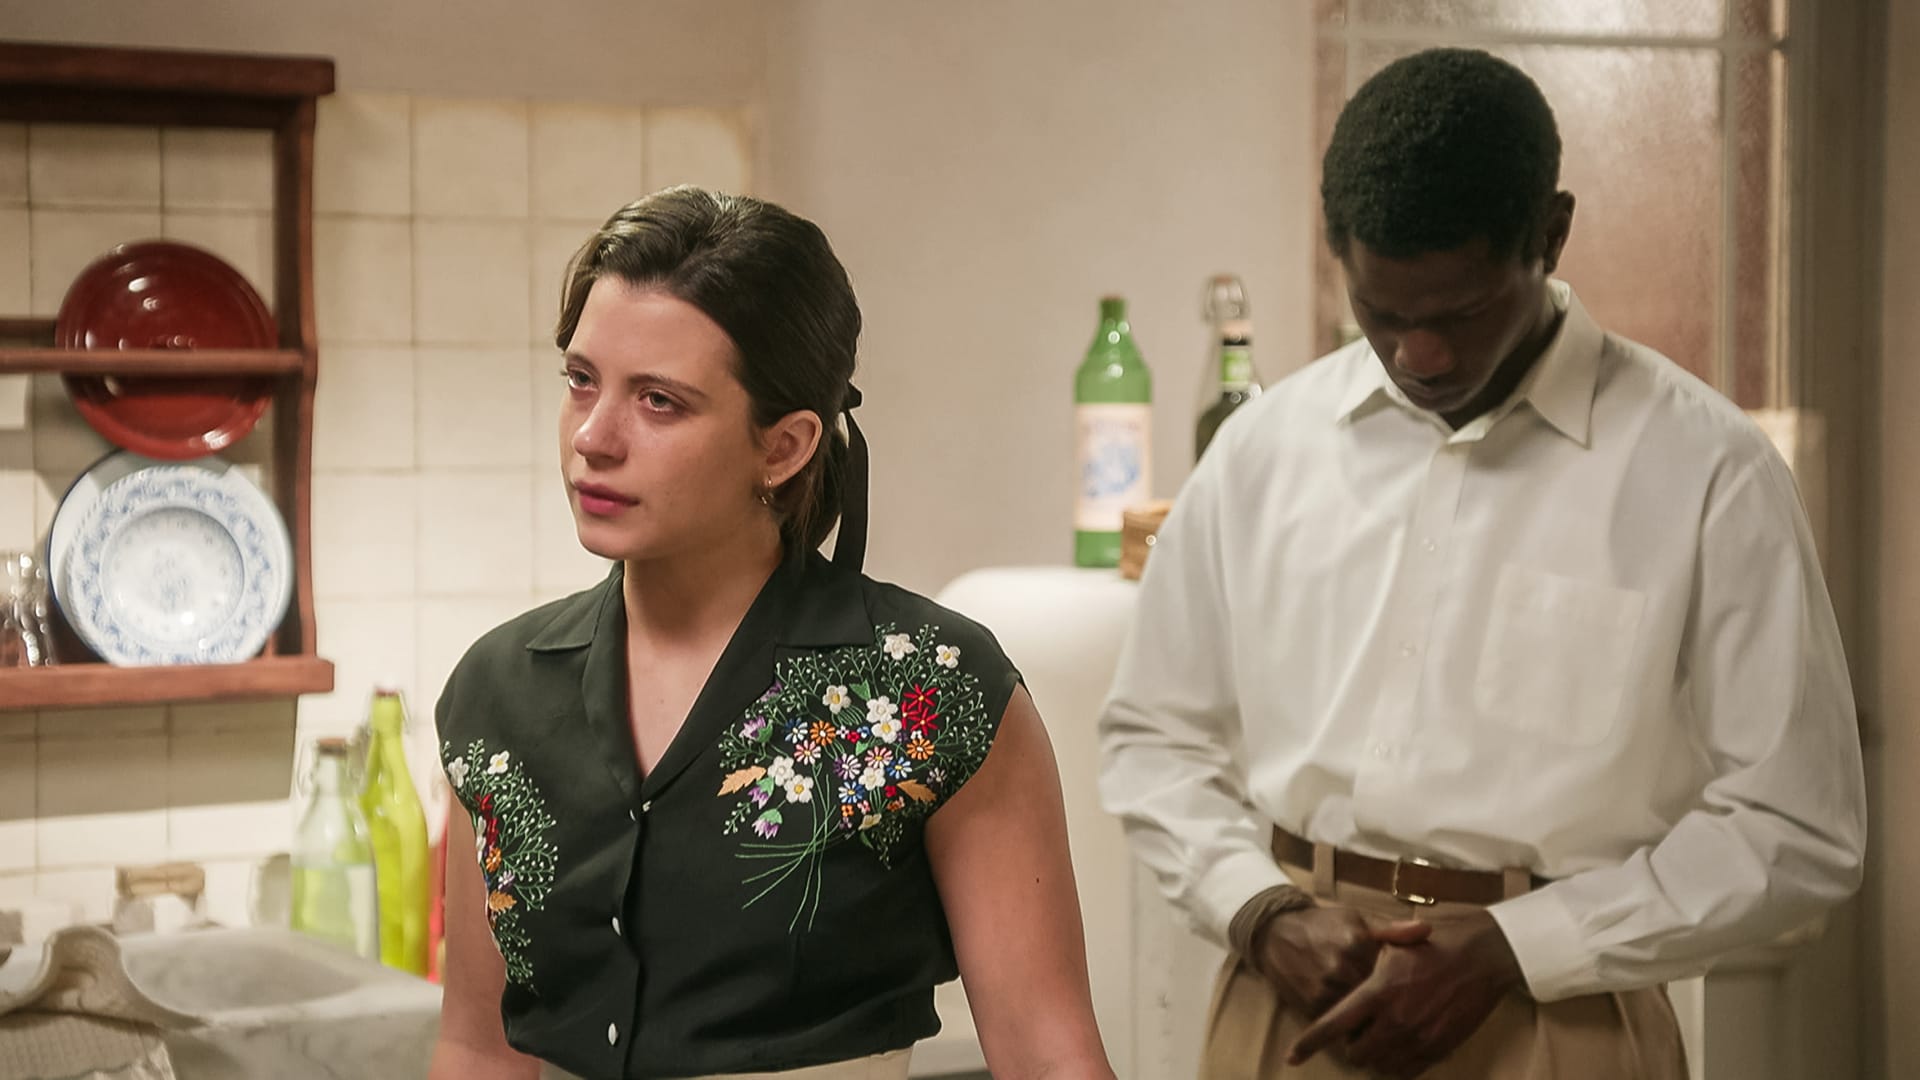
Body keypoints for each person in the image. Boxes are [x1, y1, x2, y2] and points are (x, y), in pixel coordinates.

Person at [1098, 47, 1865, 1080]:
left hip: (1563, 1015)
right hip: (1295, 993)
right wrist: (1260, 909)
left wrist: (1518, 946)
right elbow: (1153, 737)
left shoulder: (1708, 471)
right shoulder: (1263, 452)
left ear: (1550, 235)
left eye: (1461, 313)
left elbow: (1796, 824)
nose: (1421, 356)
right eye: (1383, 314)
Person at [428, 186, 1115, 1080]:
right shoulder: (497, 693)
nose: (593, 437)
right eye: (581, 380)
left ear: (784, 446)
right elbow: (478, 1048)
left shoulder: (934, 690)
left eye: (659, 401)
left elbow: (1049, 1059)